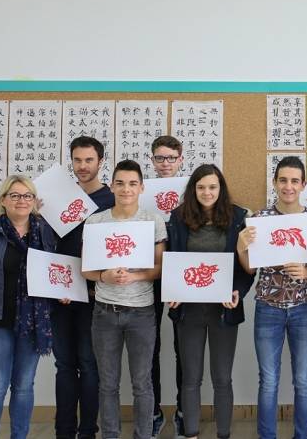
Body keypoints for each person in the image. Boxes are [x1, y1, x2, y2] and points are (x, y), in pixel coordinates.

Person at [237, 156, 307, 439]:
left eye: (294, 181)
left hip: (304, 308)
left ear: (303, 184)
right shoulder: (259, 220)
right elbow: (250, 268)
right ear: (275, 182)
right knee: (268, 380)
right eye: (283, 180)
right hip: (268, 307)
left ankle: (302, 435)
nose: (288, 186)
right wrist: (241, 247)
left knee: (303, 380)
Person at [0, 175, 57, 439]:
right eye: (14, 195)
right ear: (3, 200)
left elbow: (55, 273)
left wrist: (61, 292)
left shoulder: (46, 233)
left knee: (24, 387)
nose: (21, 200)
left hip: (33, 323)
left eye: (27, 195)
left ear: (34, 201)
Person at [167, 164, 254, 439]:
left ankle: (223, 434)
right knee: (191, 378)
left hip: (224, 310)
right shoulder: (178, 217)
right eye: (201, 187)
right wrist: (172, 289)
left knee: (222, 378)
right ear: (193, 189)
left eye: (213, 187)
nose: (207, 192)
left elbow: (247, 267)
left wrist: (238, 290)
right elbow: (171, 258)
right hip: (188, 310)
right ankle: (191, 434)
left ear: (221, 189)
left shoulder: (239, 217)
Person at [82, 159, 167, 439]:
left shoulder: (153, 221)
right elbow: (86, 270)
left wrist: (135, 276)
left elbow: (160, 268)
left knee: (142, 383)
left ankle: (143, 434)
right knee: (108, 384)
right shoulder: (96, 221)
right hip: (104, 312)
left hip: (141, 312)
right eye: (120, 183)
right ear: (111, 186)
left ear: (142, 187)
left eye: (132, 184)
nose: (126, 189)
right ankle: (111, 434)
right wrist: (104, 276)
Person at [52, 136, 115, 439]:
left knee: (90, 365)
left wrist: (98, 281)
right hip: (60, 292)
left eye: (89, 160)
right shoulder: (59, 198)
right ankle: (63, 431)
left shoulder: (111, 199)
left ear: (100, 161)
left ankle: (88, 431)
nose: (82, 166)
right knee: (64, 364)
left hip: (94, 295)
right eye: (77, 160)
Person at [149, 134, 185, 438]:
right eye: (160, 158)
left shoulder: (192, 191)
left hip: (182, 275)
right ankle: (153, 411)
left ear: (180, 160)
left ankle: (184, 410)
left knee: (182, 346)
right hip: (148, 273)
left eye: (171, 158)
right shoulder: (140, 190)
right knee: (150, 345)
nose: (165, 164)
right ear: (152, 161)